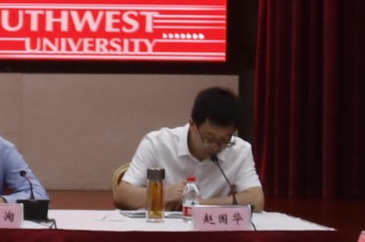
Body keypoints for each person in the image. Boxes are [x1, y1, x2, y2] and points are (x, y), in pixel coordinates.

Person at [112, 86, 264, 212]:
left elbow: (256, 200)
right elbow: (122, 196)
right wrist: (163, 194)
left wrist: (196, 204)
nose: (216, 146)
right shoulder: (157, 143)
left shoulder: (240, 150)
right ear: (192, 125)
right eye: (209, 138)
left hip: (212, 230)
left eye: (224, 140)